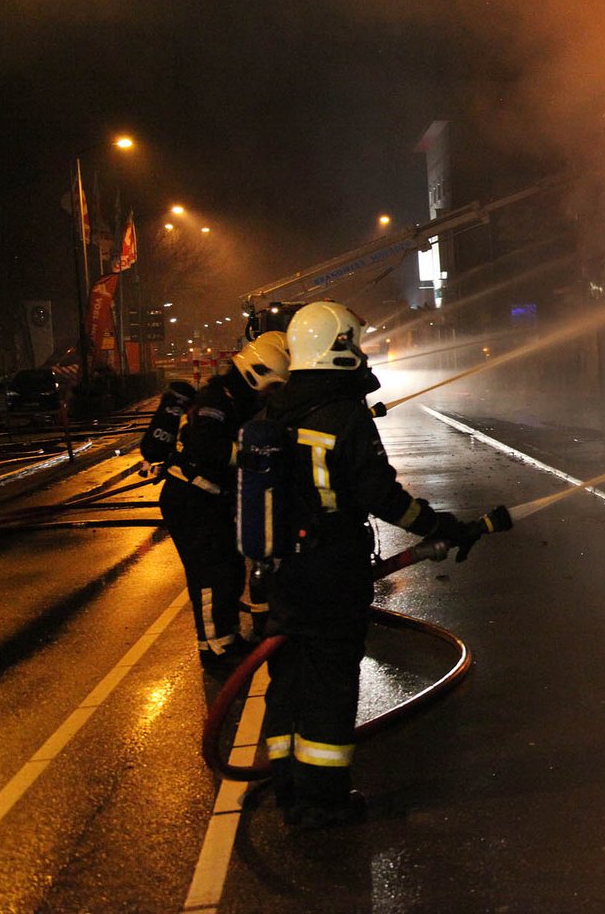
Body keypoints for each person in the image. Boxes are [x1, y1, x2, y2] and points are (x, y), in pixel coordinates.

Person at [260, 300, 510, 829]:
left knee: (289, 676)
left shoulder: (276, 411)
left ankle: (285, 781)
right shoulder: (342, 414)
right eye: (354, 342)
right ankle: (323, 801)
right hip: (330, 571)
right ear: (339, 348)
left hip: (280, 570)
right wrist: (439, 526)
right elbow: (384, 497)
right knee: (330, 681)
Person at [161, 332, 290, 673]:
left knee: (230, 569)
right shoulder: (215, 401)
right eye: (272, 386)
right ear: (256, 374)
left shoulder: (235, 399)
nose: (271, 394)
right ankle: (215, 649)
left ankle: (228, 636)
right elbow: (206, 447)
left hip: (209, 498)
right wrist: (248, 457)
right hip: (190, 498)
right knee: (209, 575)